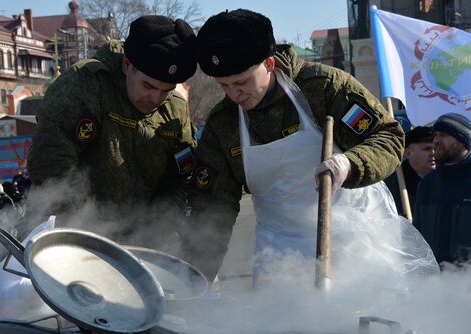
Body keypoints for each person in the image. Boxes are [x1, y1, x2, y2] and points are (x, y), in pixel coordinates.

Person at [183, 9, 437, 283]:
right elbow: (211, 212)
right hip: (279, 256)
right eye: (224, 85)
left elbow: (388, 137)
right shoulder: (224, 125)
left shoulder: (324, 88)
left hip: (357, 242)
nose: (234, 94)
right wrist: (193, 282)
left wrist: (351, 164)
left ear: (269, 63)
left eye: (241, 82)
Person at [27, 15, 198, 245]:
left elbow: (180, 176)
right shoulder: (83, 86)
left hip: (142, 240)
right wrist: (90, 234)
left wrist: (160, 225)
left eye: (166, 90)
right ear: (127, 65)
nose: (157, 98)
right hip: (71, 235)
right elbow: (51, 166)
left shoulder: (175, 108)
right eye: (148, 86)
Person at [414, 113, 471, 268]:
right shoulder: (427, 183)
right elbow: (417, 236)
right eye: (435, 136)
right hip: (433, 283)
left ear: (463, 140)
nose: (436, 141)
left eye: (444, 135)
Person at [384, 126, 435, 216]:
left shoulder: (448, 179)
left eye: (436, 148)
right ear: (408, 153)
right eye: (427, 149)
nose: (433, 153)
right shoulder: (392, 182)